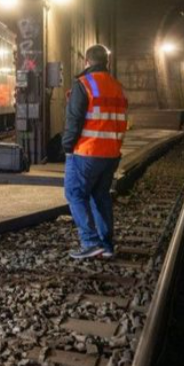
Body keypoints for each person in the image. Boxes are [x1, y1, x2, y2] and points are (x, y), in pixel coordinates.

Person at [62, 44, 129, 260]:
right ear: (106, 63)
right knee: (100, 197)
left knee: (74, 193)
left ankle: (90, 242)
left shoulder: (84, 84)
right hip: (111, 154)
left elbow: (74, 120)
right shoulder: (117, 86)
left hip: (87, 151)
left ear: (87, 62)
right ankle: (107, 246)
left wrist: (67, 147)